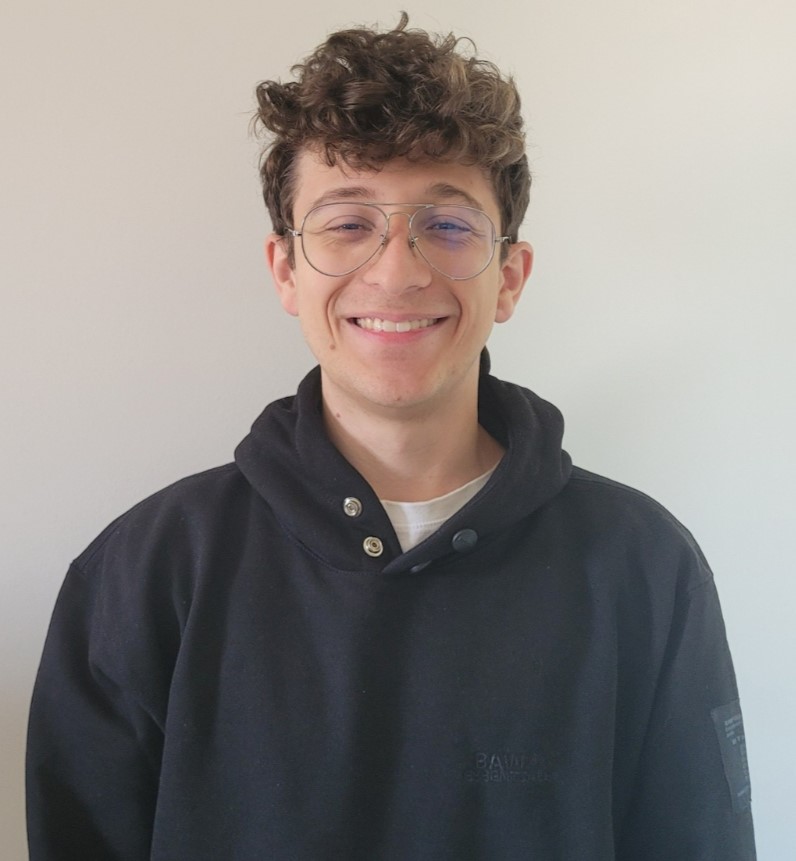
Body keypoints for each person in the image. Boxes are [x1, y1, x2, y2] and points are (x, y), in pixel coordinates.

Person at [26, 13, 756, 860]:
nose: (398, 270)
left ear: (509, 277)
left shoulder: (645, 568)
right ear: (286, 272)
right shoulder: (141, 576)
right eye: (347, 223)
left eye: (446, 226)